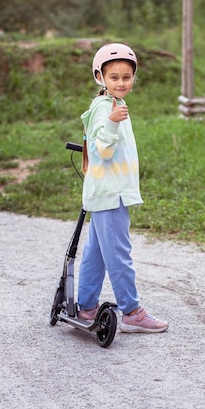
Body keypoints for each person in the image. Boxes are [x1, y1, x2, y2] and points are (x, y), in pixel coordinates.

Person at [77, 42, 169, 334]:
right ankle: (131, 312)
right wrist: (114, 124)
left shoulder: (111, 105)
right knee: (118, 254)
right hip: (110, 194)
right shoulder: (106, 109)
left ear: (133, 78)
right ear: (100, 77)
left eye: (126, 77)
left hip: (106, 191)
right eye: (114, 77)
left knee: (98, 253)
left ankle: (86, 306)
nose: (121, 82)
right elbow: (103, 149)